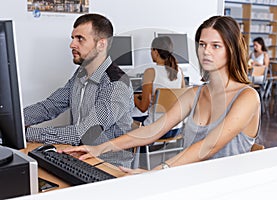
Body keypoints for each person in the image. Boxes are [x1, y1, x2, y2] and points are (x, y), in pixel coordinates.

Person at [62, 15, 261, 174]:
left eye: (215, 46)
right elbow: (153, 130)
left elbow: (208, 146)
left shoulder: (247, 96)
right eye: (202, 44)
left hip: (225, 187)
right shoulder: (195, 93)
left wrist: (158, 172)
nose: (206, 52)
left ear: (231, 50)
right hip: (189, 180)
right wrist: (100, 148)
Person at [24, 13, 135, 168]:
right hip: (78, 155)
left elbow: (83, 133)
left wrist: (23, 134)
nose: (72, 44)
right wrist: (14, 122)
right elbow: (50, 106)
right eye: (72, 38)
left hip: (109, 165)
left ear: (101, 44)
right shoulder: (81, 74)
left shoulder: (116, 84)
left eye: (80, 39)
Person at [134, 36, 185, 138]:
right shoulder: (179, 71)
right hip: (176, 129)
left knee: (128, 119)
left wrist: (133, 97)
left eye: (151, 50)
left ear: (156, 51)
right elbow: (183, 98)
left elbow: (143, 108)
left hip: (156, 130)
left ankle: (135, 153)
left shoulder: (150, 72)